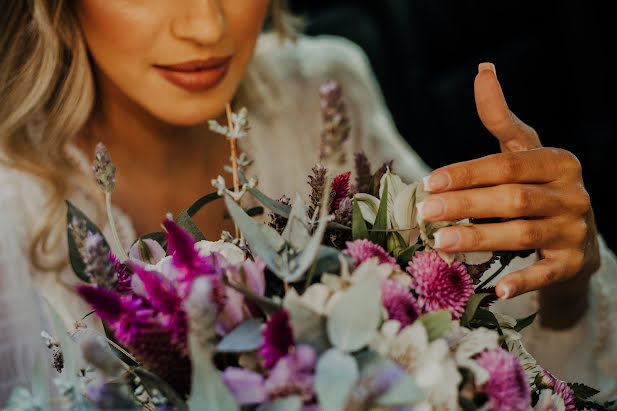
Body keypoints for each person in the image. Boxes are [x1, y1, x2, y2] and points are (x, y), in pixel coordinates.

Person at [1, 0, 615, 404]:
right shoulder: (9, 207)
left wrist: (561, 276)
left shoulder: (323, 90)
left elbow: (490, 356)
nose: (206, 26)